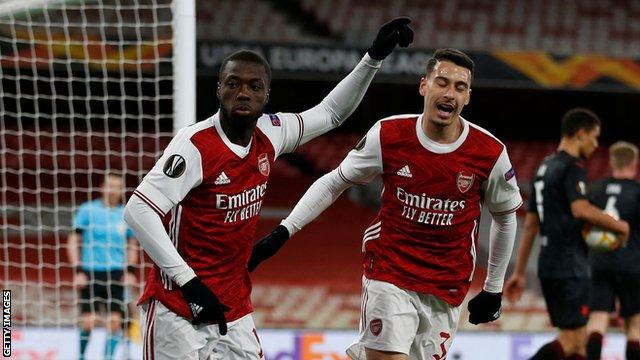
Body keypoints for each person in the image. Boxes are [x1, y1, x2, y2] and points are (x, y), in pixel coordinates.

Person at [123, 17, 413, 360]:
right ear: (219, 90)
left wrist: (373, 58)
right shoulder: (195, 145)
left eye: (253, 86)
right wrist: (189, 281)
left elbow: (331, 114)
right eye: (233, 84)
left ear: (266, 95)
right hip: (178, 308)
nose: (243, 92)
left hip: (234, 306)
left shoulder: (271, 131)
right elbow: (138, 211)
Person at [249, 48, 523, 360]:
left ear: (468, 97)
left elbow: (505, 217)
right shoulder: (390, 135)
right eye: (442, 82)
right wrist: (285, 230)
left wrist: (493, 288)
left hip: (446, 287)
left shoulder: (489, 153)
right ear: (424, 86)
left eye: (459, 88)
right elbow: (336, 180)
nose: (449, 93)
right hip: (389, 272)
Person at [504, 108, 630, 360]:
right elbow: (581, 209)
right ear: (580, 134)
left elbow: (530, 224)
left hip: (549, 265)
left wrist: (519, 272)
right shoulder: (572, 167)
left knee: (578, 343)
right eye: (594, 137)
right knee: (572, 341)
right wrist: (619, 226)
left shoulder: (544, 168)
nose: (596, 145)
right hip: (569, 264)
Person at [67, 173, 139, 360]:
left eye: (117, 187)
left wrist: (130, 271)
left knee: (115, 322)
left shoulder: (125, 213)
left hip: (116, 273)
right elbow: (73, 240)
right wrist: (78, 270)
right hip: (90, 272)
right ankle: (81, 357)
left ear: (121, 190)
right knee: (88, 322)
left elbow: (132, 244)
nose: (113, 190)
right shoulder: (87, 210)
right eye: (110, 186)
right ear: (102, 188)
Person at [585, 141, 640, 360]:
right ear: (634, 163)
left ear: (611, 161)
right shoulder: (637, 191)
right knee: (635, 325)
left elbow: (583, 225)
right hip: (631, 263)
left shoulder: (595, 189)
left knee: (597, 320)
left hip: (599, 262)